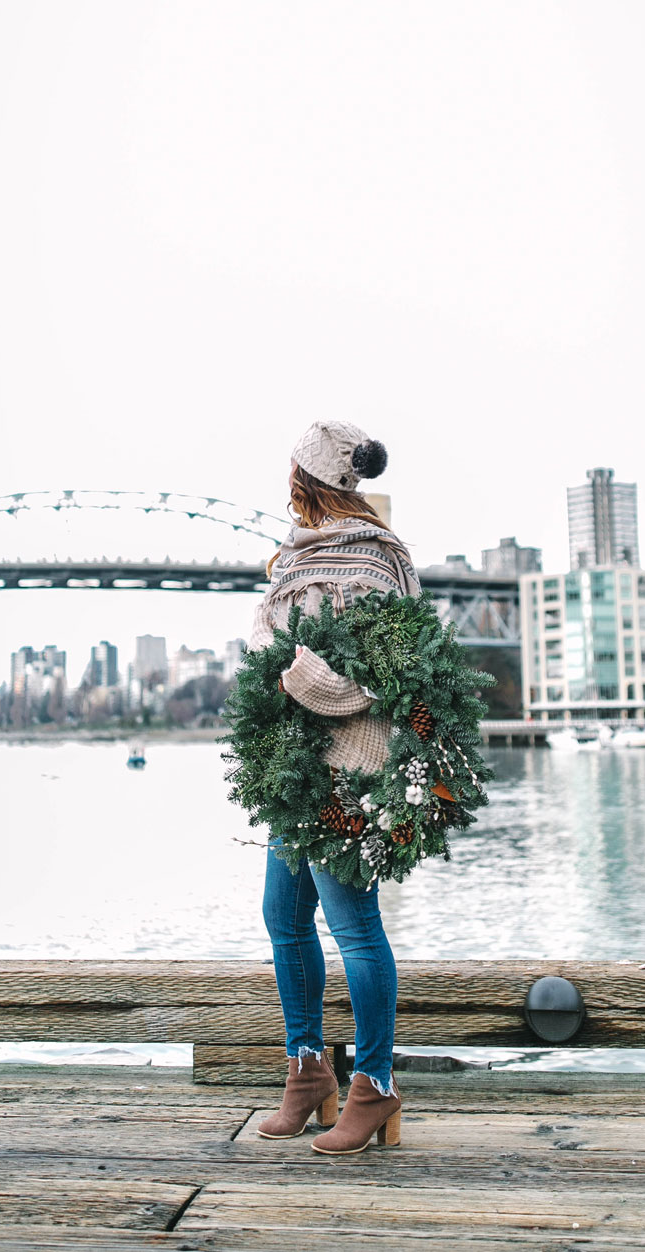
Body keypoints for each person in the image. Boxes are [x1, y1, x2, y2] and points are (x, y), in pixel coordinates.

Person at [249, 419, 419, 1155]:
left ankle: (375, 1086)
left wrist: (301, 676)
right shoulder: (292, 556)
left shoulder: (377, 560)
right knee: (283, 917)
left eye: (291, 475)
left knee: (354, 928)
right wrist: (275, 658)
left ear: (307, 479)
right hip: (293, 763)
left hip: (348, 766)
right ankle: (307, 1070)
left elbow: (387, 668)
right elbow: (268, 640)